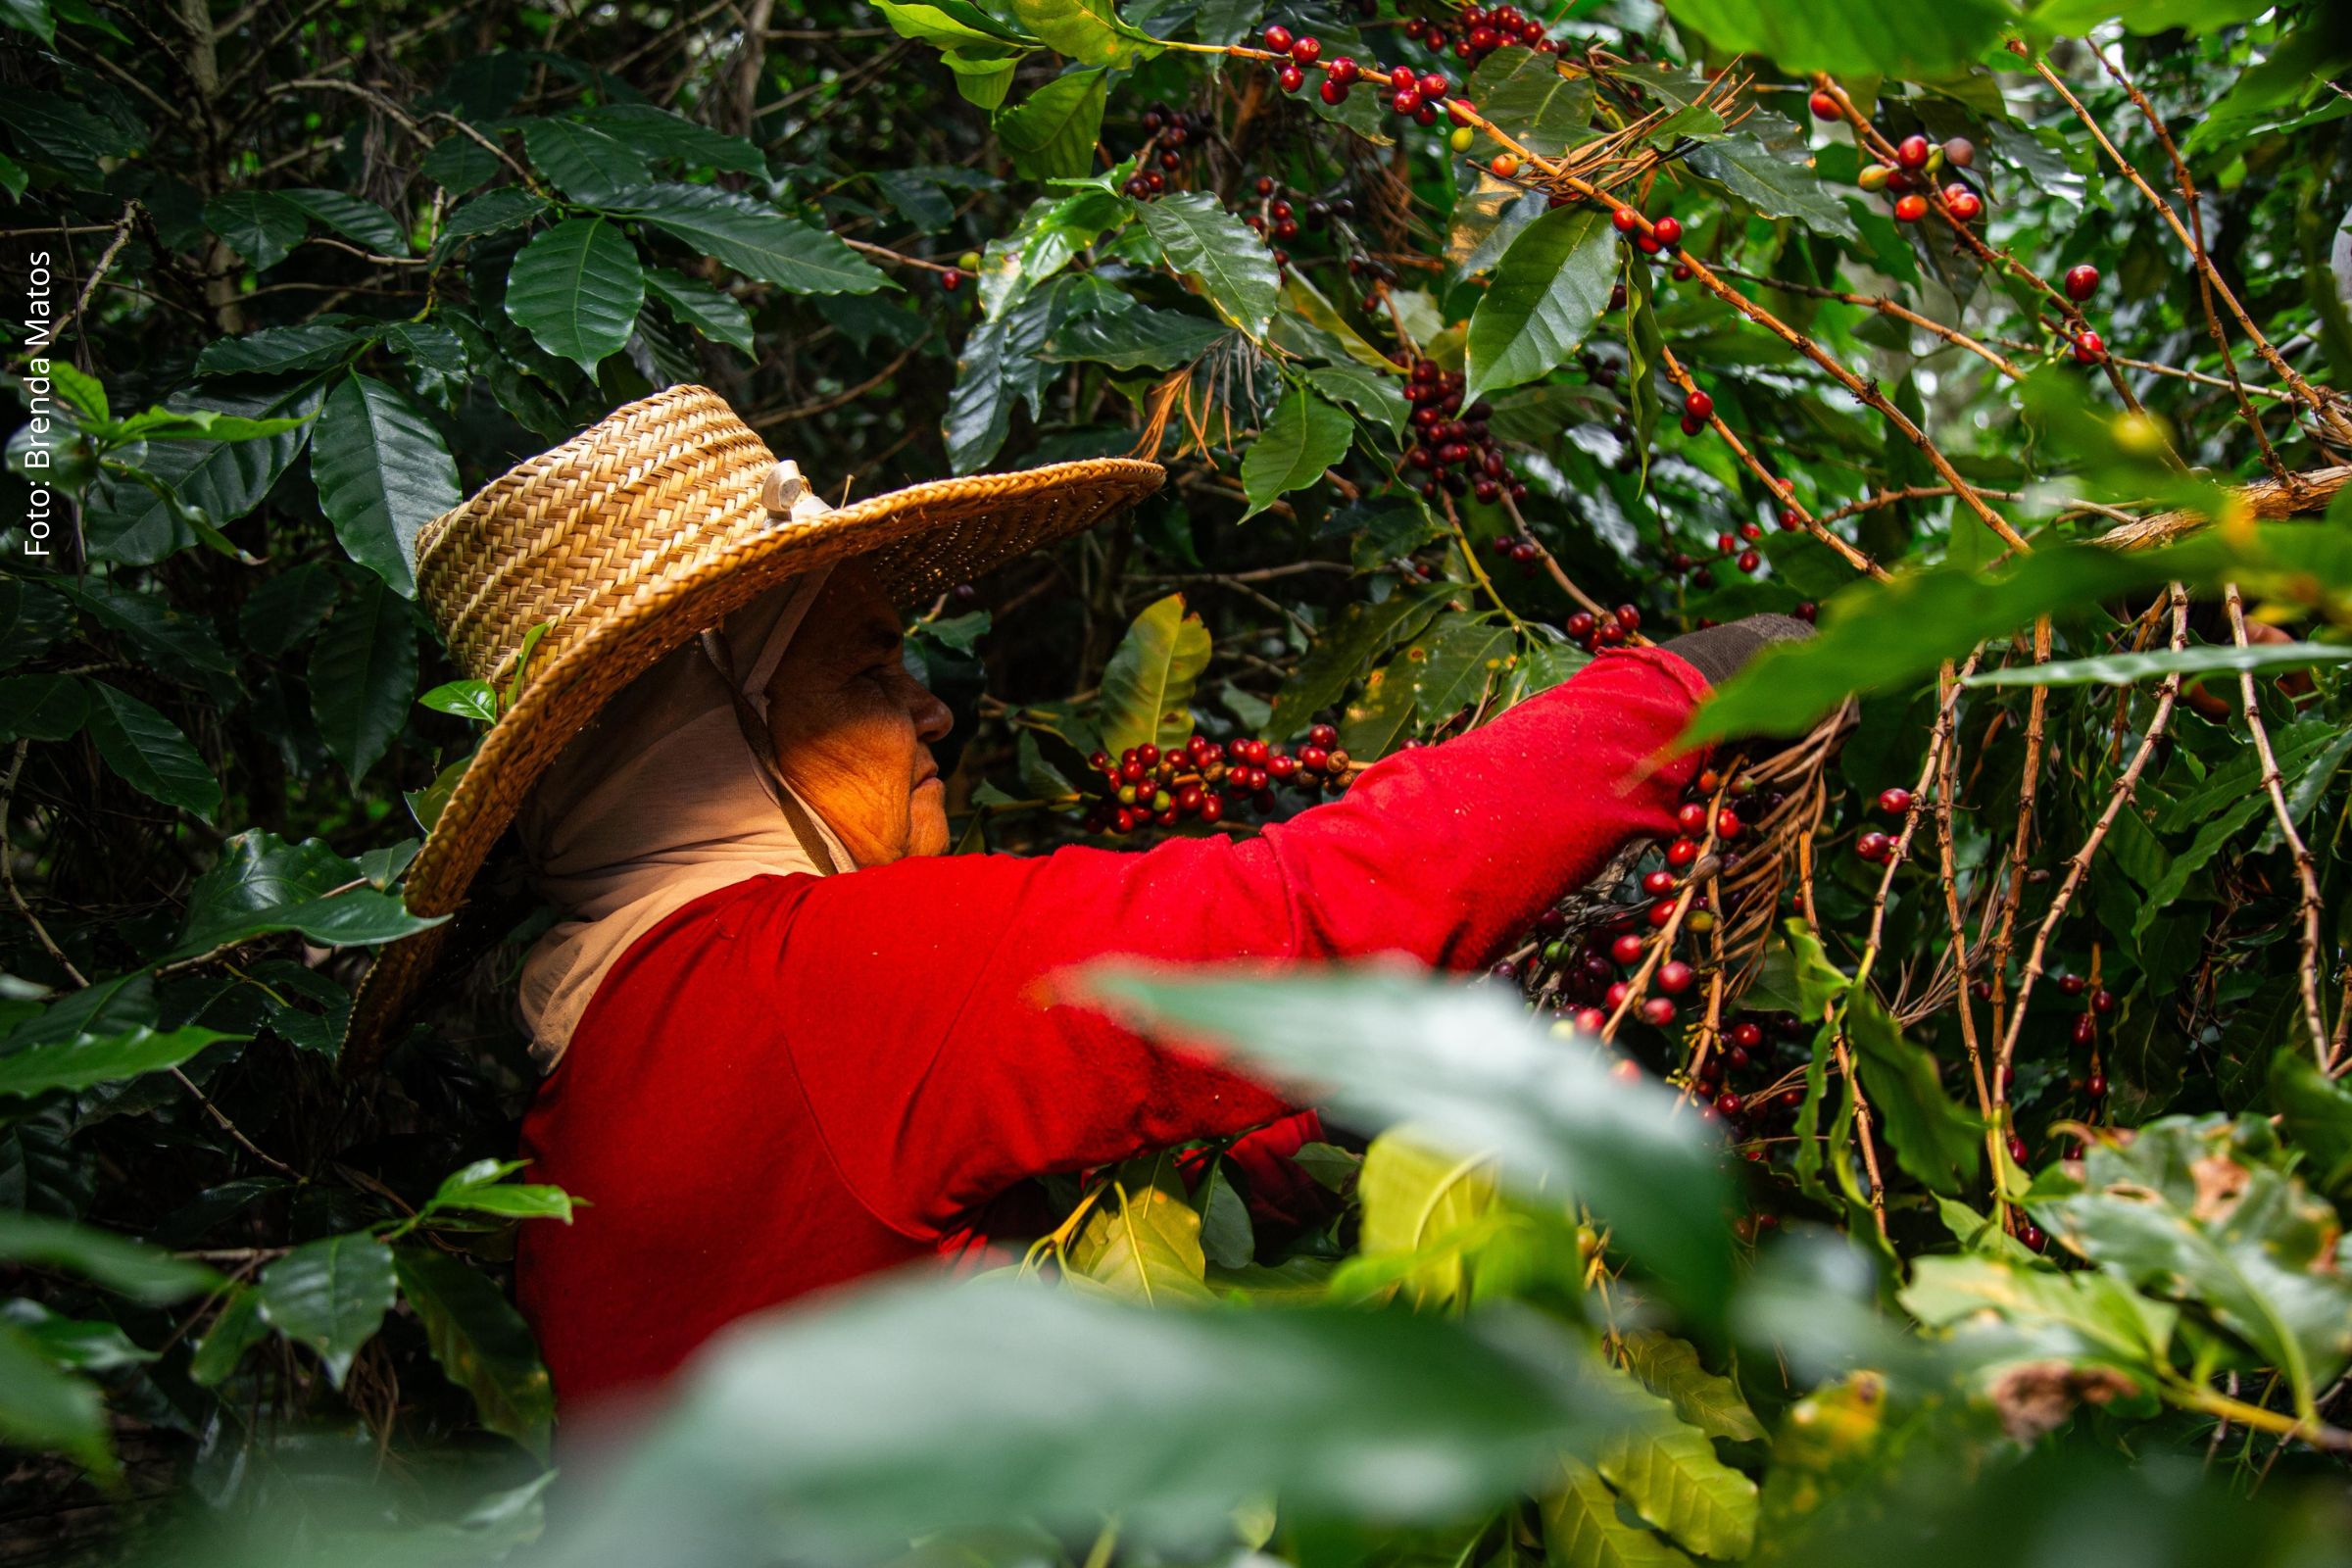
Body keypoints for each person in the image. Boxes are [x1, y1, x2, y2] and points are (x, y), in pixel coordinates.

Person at [342, 385, 1807, 1411]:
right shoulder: (807, 980)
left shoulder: (608, 1063)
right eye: (865, 673)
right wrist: (1697, 685)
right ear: (711, 742)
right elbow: (1309, 915)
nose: (932, 715)